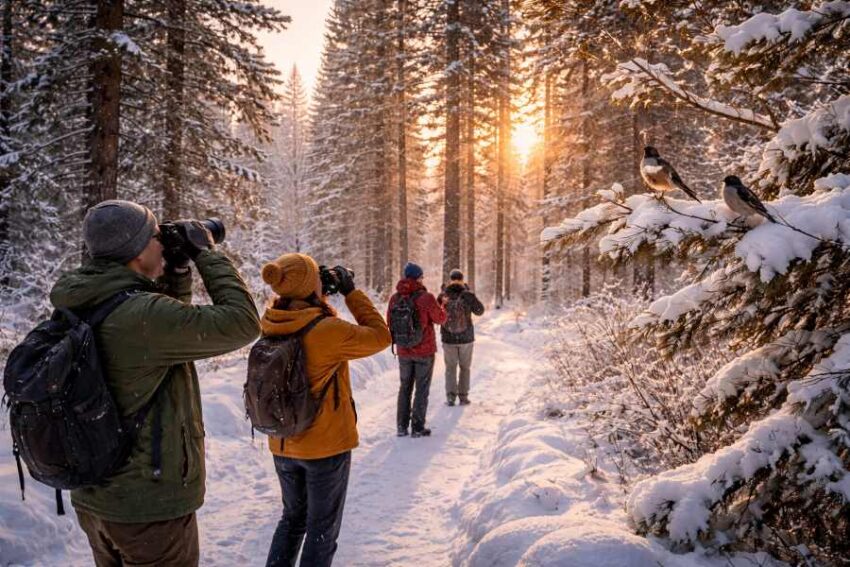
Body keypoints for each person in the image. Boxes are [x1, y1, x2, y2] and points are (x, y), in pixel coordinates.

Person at [49, 200, 261, 566]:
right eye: (155, 237)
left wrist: (176, 272)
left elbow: (157, 342)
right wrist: (206, 253)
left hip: (97, 498)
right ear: (135, 249)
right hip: (148, 508)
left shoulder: (84, 301)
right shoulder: (142, 316)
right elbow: (243, 322)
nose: (162, 243)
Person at [260, 254, 391, 567]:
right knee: (322, 530)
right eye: (316, 276)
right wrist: (351, 292)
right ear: (308, 285)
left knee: (292, 521)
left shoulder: (270, 322)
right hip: (325, 448)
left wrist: (316, 296)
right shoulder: (328, 331)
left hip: (282, 442)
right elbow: (381, 336)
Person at [387, 262, 447, 438]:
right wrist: (441, 305)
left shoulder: (395, 298)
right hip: (424, 351)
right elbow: (440, 318)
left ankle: (401, 426)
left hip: (403, 350)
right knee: (422, 387)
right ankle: (418, 427)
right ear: (419, 278)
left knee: (405, 386)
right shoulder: (426, 297)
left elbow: (389, 322)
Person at [438, 269, 485, 406]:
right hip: (466, 338)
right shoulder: (467, 295)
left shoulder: (444, 295)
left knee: (450, 367)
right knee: (465, 367)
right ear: (462, 280)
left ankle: (451, 397)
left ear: (450, 280)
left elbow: (435, 314)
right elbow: (480, 311)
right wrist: (470, 295)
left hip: (448, 338)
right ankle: (463, 396)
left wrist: (442, 297)